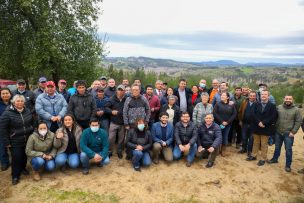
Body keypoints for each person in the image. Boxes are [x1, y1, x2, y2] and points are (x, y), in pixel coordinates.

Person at [0, 95, 34, 185]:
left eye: (21, 101)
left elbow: (31, 122)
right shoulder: (7, 113)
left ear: (24, 102)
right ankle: (15, 175)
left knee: (24, 156)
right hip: (15, 140)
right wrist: (6, 142)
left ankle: (23, 168)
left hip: (27, 138)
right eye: (17, 101)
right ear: (13, 102)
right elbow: (2, 128)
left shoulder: (27, 110)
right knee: (16, 158)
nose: (20, 103)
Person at [268, 95, 302, 172]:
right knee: (277, 147)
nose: (288, 100)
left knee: (288, 149)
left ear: (292, 100)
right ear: (284, 99)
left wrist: (293, 131)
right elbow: (274, 117)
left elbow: (298, 121)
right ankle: (274, 159)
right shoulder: (278, 107)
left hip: (288, 133)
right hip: (278, 132)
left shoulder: (296, 110)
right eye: (286, 98)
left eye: (290, 99)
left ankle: (288, 165)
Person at [247, 90, 278, 166]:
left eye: (265, 94)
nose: (263, 95)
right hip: (256, 126)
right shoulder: (256, 104)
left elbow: (273, 117)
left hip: (266, 127)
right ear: (260, 96)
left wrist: (263, 122)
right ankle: (254, 156)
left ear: (268, 96)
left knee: (264, 144)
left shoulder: (272, 106)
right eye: (262, 94)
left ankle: (263, 158)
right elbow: (253, 114)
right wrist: (258, 122)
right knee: (255, 142)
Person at [105, 85, 126, 158]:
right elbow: (106, 108)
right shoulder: (111, 99)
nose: (120, 91)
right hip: (113, 122)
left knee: (121, 139)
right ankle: (110, 151)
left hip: (123, 122)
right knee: (111, 138)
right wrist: (111, 111)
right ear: (116, 90)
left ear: (124, 91)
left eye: (122, 90)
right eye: (119, 90)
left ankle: (119, 151)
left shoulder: (126, 99)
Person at [213, 92, 237, 156]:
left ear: (228, 97)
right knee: (218, 136)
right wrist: (222, 121)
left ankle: (223, 150)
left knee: (225, 136)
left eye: (224, 95)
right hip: (218, 124)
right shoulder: (218, 104)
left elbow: (234, 114)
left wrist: (227, 122)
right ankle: (217, 149)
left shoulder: (231, 104)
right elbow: (215, 113)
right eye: (221, 95)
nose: (222, 96)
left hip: (228, 124)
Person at [0, 88, 12, 171]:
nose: (5, 95)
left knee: (13, 146)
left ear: (10, 94)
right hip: (2, 129)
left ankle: (16, 162)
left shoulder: (14, 103)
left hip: (12, 128)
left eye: (6, 93)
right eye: (3, 93)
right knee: (2, 146)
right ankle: (4, 162)